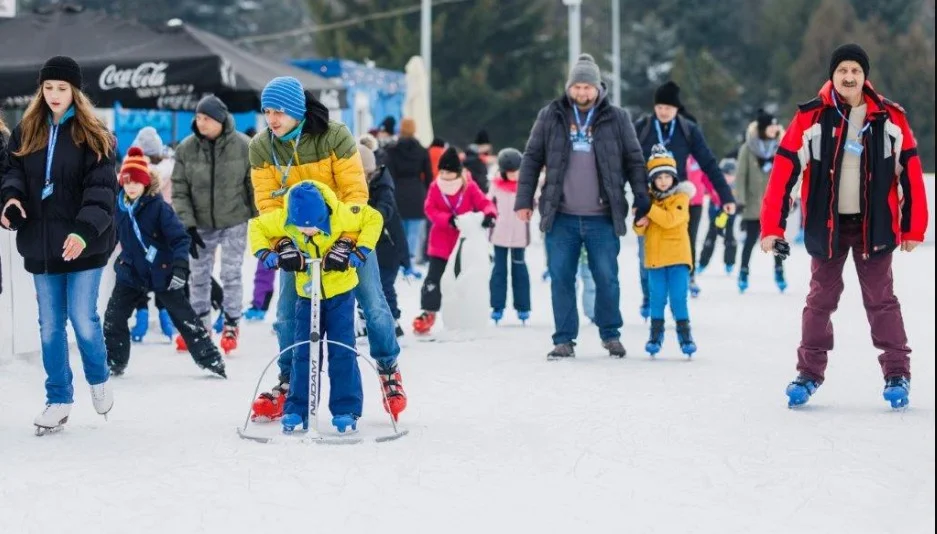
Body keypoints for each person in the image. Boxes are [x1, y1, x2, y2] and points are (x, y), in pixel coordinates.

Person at [760, 44, 928, 409]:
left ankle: (897, 373)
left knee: (882, 302)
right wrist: (772, 226)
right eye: (842, 71)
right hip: (828, 226)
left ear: (864, 76)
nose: (849, 77)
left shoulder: (889, 118)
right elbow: (785, 171)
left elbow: (911, 173)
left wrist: (913, 227)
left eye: (855, 70)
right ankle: (807, 374)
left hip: (876, 227)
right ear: (832, 76)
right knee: (819, 301)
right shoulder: (811, 117)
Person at [249, 76, 405, 422]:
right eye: (267, 112)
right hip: (300, 242)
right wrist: (284, 244)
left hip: (345, 234)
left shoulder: (334, 135)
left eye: (279, 111)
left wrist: (347, 243)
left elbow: (355, 193)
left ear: (297, 110)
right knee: (287, 312)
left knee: (373, 302)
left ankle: (387, 366)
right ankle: (290, 380)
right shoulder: (262, 147)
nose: (272, 119)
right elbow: (267, 206)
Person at [0, 56, 116, 432]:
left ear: (75, 92)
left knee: (83, 320)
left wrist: (83, 231)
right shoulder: (26, 129)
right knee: (50, 326)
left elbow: (102, 192)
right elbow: (12, 172)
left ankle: (98, 378)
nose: (53, 94)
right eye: (48, 87)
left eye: (62, 88)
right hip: (43, 242)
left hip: (84, 242)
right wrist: (11, 200)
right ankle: (59, 399)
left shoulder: (95, 133)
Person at [515, 53, 650, 360]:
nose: (582, 93)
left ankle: (610, 333)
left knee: (607, 277)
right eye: (577, 87)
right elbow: (532, 158)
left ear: (598, 88)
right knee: (561, 277)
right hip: (561, 216)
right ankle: (564, 339)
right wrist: (524, 201)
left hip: (602, 216)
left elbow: (634, 160)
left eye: (587, 87)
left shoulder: (617, 117)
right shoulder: (551, 115)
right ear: (569, 87)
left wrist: (642, 200)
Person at [250, 181, 383, 433]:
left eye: (313, 227)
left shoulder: (342, 214)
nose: (307, 233)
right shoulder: (284, 217)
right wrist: (268, 255)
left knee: (341, 351)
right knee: (303, 352)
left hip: (340, 294)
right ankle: (297, 409)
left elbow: (373, 218)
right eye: (301, 228)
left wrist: (358, 253)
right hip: (306, 295)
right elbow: (256, 226)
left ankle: (346, 409)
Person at [103, 148, 227, 378]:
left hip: (163, 272)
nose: (131, 187)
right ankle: (115, 361)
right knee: (113, 317)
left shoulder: (158, 207)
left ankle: (212, 360)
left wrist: (180, 267)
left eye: (137, 182)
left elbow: (180, 238)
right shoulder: (119, 208)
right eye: (127, 181)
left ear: (146, 182)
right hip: (132, 272)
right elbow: (113, 236)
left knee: (185, 318)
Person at [633, 81, 736, 315]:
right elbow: (625, 162)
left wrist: (726, 195)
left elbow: (709, 163)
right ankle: (649, 297)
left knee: (680, 250)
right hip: (647, 198)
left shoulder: (688, 130)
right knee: (645, 254)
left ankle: (679, 298)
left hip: (676, 199)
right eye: (660, 106)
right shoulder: (643, 127)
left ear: (677, 108)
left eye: (668, 107)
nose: (664, 111)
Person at [171, 95, 254, 354]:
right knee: (198, 274)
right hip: (200, 222)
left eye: (206, 118)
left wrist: (257, 216)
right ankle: (200, 326)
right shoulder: (186, 148)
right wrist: (188, 225)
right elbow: (179, 189)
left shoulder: (244, 146)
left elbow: (254, 185)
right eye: (198, 117)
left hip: (234, 219)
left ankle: (231, 324)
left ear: (220, 120)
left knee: (231, 273)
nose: (201, 122)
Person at [413, 147, 497, 335]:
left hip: (462, 245)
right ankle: (428, 311)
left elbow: (485, 203)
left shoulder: (469, 185)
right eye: (442, 171)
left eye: (448, 172)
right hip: (441, 242)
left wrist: (489, 215)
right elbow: (430, 209)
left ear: (458, 172)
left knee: (463, 279)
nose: (444, 175)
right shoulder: (436, 186)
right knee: (434, 278)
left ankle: (464, 313)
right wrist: (447, 219)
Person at [634, 146, 697, 357]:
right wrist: (640, 219)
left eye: (667, 176)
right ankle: (655, 334)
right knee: (657, 298)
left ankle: (685, 334)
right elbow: (638, 228)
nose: (663, 181)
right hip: (655, 259)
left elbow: (670, 220)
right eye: (658, 177)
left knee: (678, 297)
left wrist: (648, 209)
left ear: (674, 178)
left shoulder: (681, 198)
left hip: (678, 258)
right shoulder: (648, 199)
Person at [126, 126, 177, 341]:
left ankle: (142, 318)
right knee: (162, 275)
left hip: (140, 231)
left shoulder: (134, 172)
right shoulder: (172, 168)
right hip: (165, 232)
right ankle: (166, 319)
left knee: (139, 274)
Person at [360, 142, 410, 336]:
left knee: (384, 284)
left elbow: (387, 212)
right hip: (369, 244)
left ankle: (393, 321)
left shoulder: (382, 186)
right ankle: (365, 322)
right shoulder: (357, 188)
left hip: (389, 246)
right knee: (363, 286)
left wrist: (370, 218)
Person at [734, 109, 785, 293]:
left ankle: (780, 272)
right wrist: (740, 199)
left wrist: (791, 197)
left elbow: (788, 175)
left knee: (778, 239)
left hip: (774, 204)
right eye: (770, 126)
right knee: (749, 240)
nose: (774, 129)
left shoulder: (781, 147)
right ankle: (743, 272)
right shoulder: (748, 149)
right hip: (753, 204)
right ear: (763, 128)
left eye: (775, 126)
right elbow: (740, 176)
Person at [488, 147, 531, 323]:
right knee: (499, 270)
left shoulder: (527, 186)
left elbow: (536, 199)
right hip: (499, 234)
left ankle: (523, 307)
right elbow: (487, 204)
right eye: (510, 172)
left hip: (520, 235)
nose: (513, 175)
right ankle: (497, 306)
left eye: (516, 172)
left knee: (519, 270)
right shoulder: (495, 185)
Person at [384, 117, 433, 266]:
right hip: (417, 192)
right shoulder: (422, 151)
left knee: (399, 229)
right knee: (414, 231)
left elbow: (389, 173)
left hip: (398, 191)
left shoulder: (392, 151)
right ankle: (410, 260)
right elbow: (429, 176)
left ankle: (400, 259)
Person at [696, 158, 739, 276]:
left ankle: (729, 263)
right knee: (710, 238)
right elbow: (708, 194)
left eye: (731, 175)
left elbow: (738, 202)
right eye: (726, 174)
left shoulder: (736, 187)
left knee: (730, 238)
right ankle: (702, 263)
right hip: (715, 215)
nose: (728, 177)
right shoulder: (716, 183)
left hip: (729, 215)